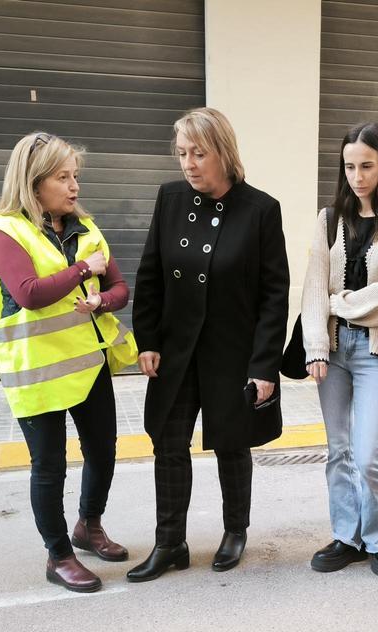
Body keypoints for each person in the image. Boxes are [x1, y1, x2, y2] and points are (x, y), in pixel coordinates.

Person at [0, 132, 138, 593]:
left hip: (88, 364)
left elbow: (122, 289)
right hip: (38, 371)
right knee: (49, 465)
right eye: (63, 177)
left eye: (75, 176)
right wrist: (85, 271)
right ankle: (58, 554)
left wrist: (102, 299)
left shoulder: (85, 227)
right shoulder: (5, 232)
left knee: (103, 451)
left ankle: (89, 525)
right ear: (33, 182)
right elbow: (30, 293)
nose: (74, 186)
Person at [127, 108, 289, 582]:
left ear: (224, 152)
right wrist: (148, 339)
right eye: (181, 153)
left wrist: (263, 367)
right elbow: (151, 273)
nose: (188, 164)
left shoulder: (260, 209)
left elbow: (273, 295)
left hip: (232, 353)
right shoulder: (171, 198)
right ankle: (169, 542)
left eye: (199, 153)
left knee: (232, 445)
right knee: (169, 444)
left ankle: (235, 531)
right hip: (177, 351)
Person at [301, 123, 378, 578]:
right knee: (338, 450)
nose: (357, 176)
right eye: (350, 166)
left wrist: (341, 303)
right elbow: (313, 287)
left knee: (368, 450)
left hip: (376, 350)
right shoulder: (329, 218)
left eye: (367, 166)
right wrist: (315, 343)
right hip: (332, 349)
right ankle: (347, 537)